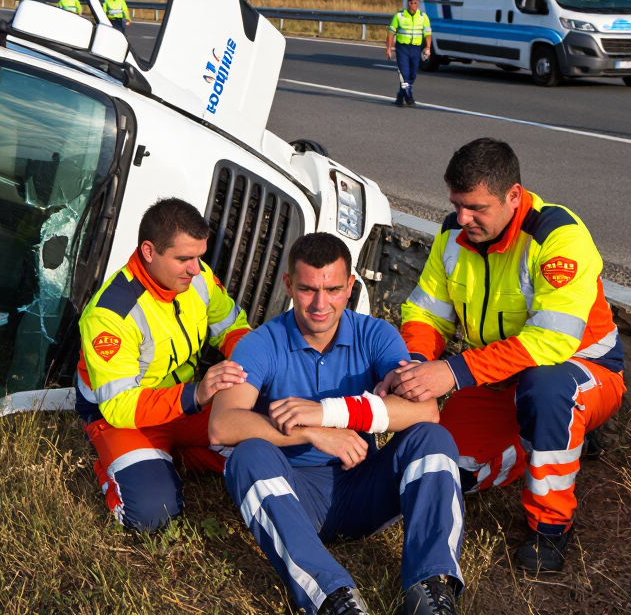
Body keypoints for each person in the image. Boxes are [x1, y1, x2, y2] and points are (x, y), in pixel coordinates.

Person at [391, 138, 625, 574]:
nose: (463, 218)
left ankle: (550, 527)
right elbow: (426, 313)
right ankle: (550, 438)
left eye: (476, 208)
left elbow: (551, 343)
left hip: (580, 375)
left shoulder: (558, 237)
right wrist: (416, 363)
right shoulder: (453, 233)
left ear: (513, 196)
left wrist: (453, 372)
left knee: (547, 391)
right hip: (497, 378)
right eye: (456, 204)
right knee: (444, 471)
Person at [210, 233, 465, 615]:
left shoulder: (376, 334)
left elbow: (425, 411)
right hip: (292, 495)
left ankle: (431, 590)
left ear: (350, 287)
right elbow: (222, 425)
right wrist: (312, 433)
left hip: (362, 484)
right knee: (246, 456)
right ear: (288, 285)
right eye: (307, 289)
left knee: (432, 438)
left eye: (332, 290)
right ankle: (334, 599)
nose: (320, 304)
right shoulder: (260, 343)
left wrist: (327, 413)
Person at [75, 198, 251, 531]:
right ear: (148, 251)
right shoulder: (110, 315)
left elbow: (231, 327)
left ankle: (170, 457)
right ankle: (115, 465)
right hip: (124, 419)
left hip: (185, 403)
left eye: (199, 256)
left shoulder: (198, 278)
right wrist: (195, 395)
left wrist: (251, 363)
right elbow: (119, 406)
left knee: (269, 433)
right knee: (151, 515)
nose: (196, 269)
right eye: (183, 259)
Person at [387, 0, 432, 107]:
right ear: (408, 3)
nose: (414, 5)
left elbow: (427, 33)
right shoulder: (399, 16)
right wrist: (388, 48)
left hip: (416, 49)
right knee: (405, 74)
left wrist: (428, 48)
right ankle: (409, 98)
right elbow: (391, 33)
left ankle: (400, 96)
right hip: (402, 48)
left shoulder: (423, 17)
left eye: (416, 3)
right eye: (411, 3)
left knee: (412, 75)